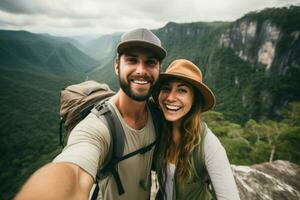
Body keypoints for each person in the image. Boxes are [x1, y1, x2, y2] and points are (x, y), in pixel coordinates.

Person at [15, 28, 167, 200]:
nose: (141, 70)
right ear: (117, 66)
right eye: (132, 60)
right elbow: (75, 172)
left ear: (159, 69)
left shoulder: (157, 115)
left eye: (150, 63)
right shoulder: (99, 126)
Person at [152, 59, 240, 200]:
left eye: (182, 90)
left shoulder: (208, 145)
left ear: (194, 100)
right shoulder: (158, 131)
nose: (171, 97)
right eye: (166, 88)